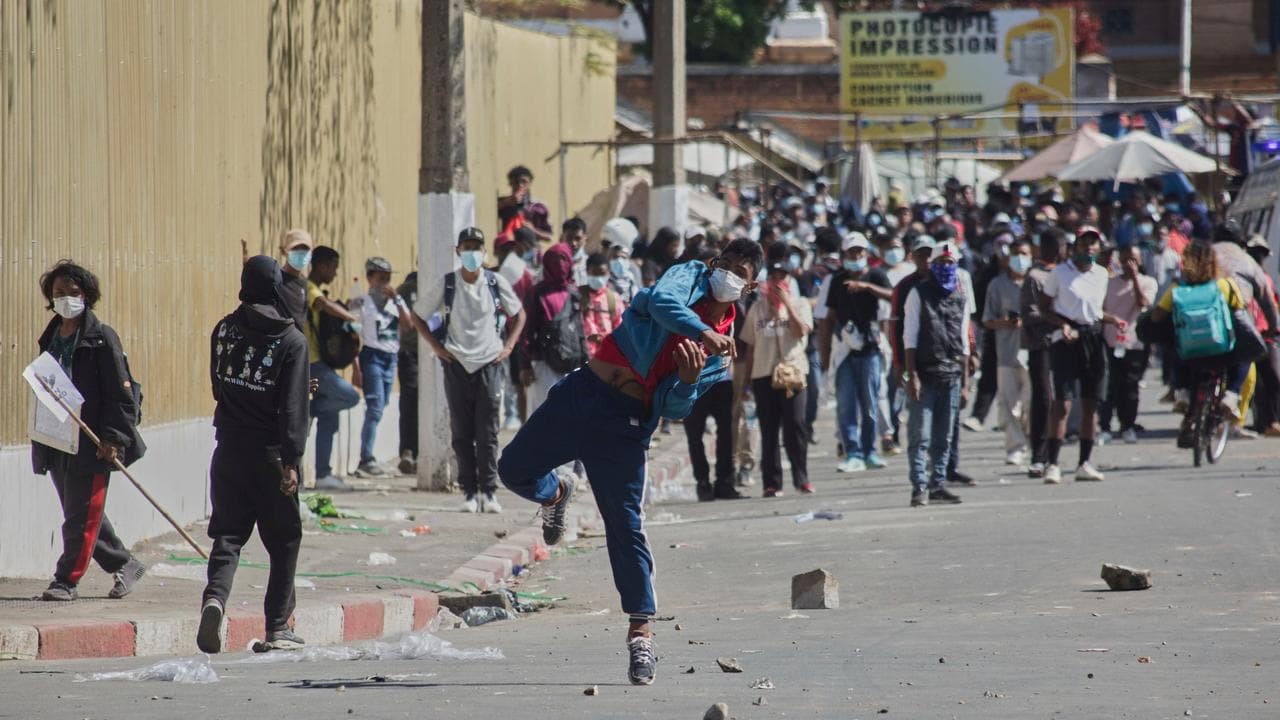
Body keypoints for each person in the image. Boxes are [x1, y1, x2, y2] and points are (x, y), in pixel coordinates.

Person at [498, 239, 763, 686]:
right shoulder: (690, 277)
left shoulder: (723, 350)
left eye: (742, 273)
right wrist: (701, 330)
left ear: (750, 286)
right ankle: (557, 491)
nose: (729, 275)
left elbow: (675, 409)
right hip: (583, 397)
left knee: (625, 526)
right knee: (512, 470)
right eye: (727, 265)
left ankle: (641, 635)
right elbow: (660, 302)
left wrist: (687, 379)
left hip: (626, 428)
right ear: (714, 262)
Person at [198, 256, 310, 654]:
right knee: (284, 540)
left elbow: (217, 386)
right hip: (271, 455)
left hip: (227, 447)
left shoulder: (224, 329)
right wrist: (292, 462)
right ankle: (279, 625)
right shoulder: (292, 340)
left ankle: (214, 599)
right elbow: (294, 410)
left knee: (227, 535)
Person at [33, 261, 147, 602]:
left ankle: (66, 581)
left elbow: (121, 391)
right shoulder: (51, 335)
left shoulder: (101, 338)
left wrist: (114, 438)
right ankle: (125, 564)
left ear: (87, 295)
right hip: (57, 437)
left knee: (80, 516)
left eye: (73, 293)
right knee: (79, 512)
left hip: (93, 441)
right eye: (58, 293)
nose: (66, 298)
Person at [410, 227, 526, 514]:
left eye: (477, 247)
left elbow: (519, 315)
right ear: (458, 251)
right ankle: (469, 492)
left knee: (488, 432)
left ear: (485, 252)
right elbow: (418, 315)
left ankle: (489, 491)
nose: (473, 253)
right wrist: (437, 348)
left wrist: (508, 347)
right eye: (467, 247)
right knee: (461, 432)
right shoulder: (448, 284)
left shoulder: (495, 282)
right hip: (457, 364)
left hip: (489, 362)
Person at [1147, 241, 1251, 445]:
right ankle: (1231, 394)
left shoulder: (1179, 288)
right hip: (1222, 351)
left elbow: (1157, 316)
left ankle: (1182, 391)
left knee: (1175, 345)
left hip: (1190, 353)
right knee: (1246, 353)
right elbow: (1241, 307)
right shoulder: (1225, 285)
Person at [1040, 228, 1121, 483]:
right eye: (1085, 243)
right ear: (1076, 246)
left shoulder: (1101, 274)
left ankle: (1084, 463)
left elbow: (1094, 311)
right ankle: (1052, 463)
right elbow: (1043, 308)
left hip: (1092, 339)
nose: (1089, 248)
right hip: (1065, 340)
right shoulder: (1060, 273)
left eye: (1094, 244)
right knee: (1062, 404)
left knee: (1091, 403)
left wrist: (1113, 320)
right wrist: (1061, 325)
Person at [740, 242, 815, 497]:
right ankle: (771, 483)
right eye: (773, 277)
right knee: (769, 430)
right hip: (763, 374)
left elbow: (802, 330)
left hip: (792, 374)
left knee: (795, 427)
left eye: (782, 276)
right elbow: (749, 346)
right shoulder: (757, 308)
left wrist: (786, 305)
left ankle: (801, 478)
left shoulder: (801, 303)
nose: (778, 281)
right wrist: (747, 383)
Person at [817, 231, 893, 473]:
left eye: (860, 251)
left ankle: (870, 452)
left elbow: (894, 296)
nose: (856, 256)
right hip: (845, 350)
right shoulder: (836, 280)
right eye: (851, 252)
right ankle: (853, 452)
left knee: (871, 402)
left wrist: (866, 287)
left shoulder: (877, 275)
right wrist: (825, 359)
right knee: (846, 405)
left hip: (870, 349)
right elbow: (827, 320)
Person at [902, 242, 969, 507]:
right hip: (925, 375)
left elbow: (963, 340)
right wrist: (912, 375)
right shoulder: (918, 294)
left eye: (949, 262)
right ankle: (919, 486)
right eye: (940, 262)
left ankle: (937, 484)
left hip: (951, 374)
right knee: (920, 436)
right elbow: (909, 337)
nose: (945, 267)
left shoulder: (960, 296)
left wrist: (965, 383)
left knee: (944, 437)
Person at [306, 246, 362, 491]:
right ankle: (309, 409)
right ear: (321, 266)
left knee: (330, 418)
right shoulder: (308, 288)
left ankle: (323, 474)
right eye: (333, 268)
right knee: (349, 396)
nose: (335, 273)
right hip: (311, 362)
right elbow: (323, 304)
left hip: (322, 360)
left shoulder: (319, 290)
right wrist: (350, 318)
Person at [353, 257, 414, 476]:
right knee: (375, 407)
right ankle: (366, 458)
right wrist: (355, 365)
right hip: (372, 357)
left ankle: (367, 456)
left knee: (382, 404)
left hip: (391, 357)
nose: (385, 282)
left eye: (388, 278)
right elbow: (351, 331)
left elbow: (408, 326)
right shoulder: (360, 300)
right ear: (370, 278)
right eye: (381, 278)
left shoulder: (395, 302)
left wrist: (397, 300)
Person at [982, 238, 1032, 465]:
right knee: (1008, 403)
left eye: (1024, 253)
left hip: (1033, 352)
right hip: (1006, 353)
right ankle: (1015, 446)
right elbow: (987, 320)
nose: (1019, 258)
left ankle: (1030, 439)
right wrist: (1004, 322)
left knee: (1031, 403)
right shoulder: (997, 285)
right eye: (1015, 253)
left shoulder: (1038, 282)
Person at [1100, 246, 1157, 444]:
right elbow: (1100, 310)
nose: (1128, 264)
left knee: (1130, 387)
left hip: (1135, 343)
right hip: (1110, 341)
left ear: (1140, 261)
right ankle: (1105, 427)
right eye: (1124, 259)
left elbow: (1143, 303)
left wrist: (1134, 279)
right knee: (1108, 386)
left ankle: (1127, 426)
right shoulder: (1108, 283)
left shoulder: (1148, 282)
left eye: (1132, 259)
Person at [521, 244, 585, 412]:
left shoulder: (575, 293)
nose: (559, 263)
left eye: (563, 259)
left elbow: (580, 330)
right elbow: (527, 330)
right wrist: (525, 365)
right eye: (554, 259)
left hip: (572, 362)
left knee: (571, 416)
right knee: (543, 414)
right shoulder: (537, 293)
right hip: (544, 363)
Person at [1020, 229, 1063, 478]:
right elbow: (1030, 314)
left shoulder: (1065, 274)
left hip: (1063, 343)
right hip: (1041, 344)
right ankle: (1038, 455)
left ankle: (1053, 455)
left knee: (1061, 400)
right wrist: (1057, 320)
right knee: (1043, 399)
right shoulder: (1035, 277)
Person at [396, 270, 420, 474]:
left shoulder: (447, 285)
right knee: (410, 401)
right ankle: (408, 451)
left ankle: (420, 452)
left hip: (439, 354)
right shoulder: (406, 289)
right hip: (411, 353)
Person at [583, 252, 627, 359]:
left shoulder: (613, 298)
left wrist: (604, 339)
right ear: (587, 272)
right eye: (594, 273)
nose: (598, 277)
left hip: (606, 357)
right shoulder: (578, 296)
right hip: (582, 355)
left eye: (602, 274)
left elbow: (621, 329)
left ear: (608, 274)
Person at [561, 217, 590, 286]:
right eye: (569, 238)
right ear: (562, 237)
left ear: (585, 238)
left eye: (578, 238)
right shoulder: (553, 262)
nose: (573, 243)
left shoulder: (589, 263)